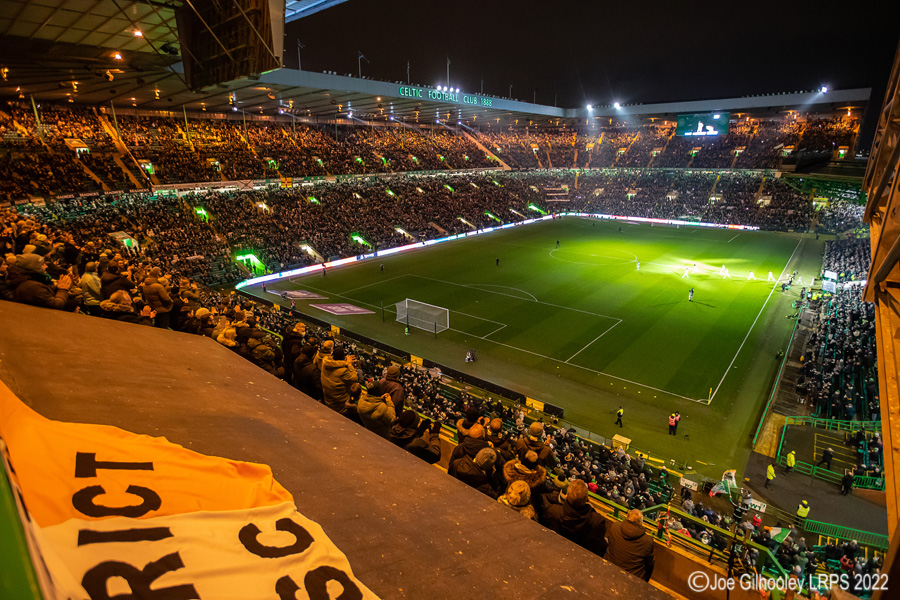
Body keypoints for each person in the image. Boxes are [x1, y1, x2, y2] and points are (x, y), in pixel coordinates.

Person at [541, 479, 607, 556]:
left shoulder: (552, 511)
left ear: (567, 496)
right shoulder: (597, 521)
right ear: (586, 499)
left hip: (555, 552)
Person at [605, 509, 655, 581]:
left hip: (609, 568)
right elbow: (650, 565)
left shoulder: (615, 526)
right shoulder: (647, 541)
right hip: (631, 579)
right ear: (641, 523)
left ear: (627, 518)